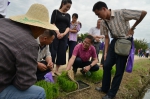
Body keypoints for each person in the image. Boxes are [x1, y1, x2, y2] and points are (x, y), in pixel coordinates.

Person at [0, 3, 58, 99]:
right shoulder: (29, 42)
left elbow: (48, 54)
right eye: (43, 28)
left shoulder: (2, 21)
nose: (42, 31)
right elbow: (23, 84)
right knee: (40, 93)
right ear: (37, 27)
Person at [93, 1, 147, 99]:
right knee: (106, 65)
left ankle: (111, 94)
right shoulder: (104, 21)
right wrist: (105, 53)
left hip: (125, 42)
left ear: (104, 9)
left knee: (119, 70)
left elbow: (143, 13)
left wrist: (133, 28)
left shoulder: (121, 13)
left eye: (98, 14)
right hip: (114, 42)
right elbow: (106, 37)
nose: (98, 17)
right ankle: (105, 88)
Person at [50, 0, 72, 75]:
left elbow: (68, 27)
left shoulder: (68, 15)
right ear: (63, 4)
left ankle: (57, 70)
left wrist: (63, 34)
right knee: (53, 52)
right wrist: (58, 32)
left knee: (61, 52)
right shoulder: (55, 12)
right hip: (54, 34)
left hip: (64, 36)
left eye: (69, 7)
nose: (68, 8)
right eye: (67, 6)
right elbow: (52, 23)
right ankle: (51, 70)